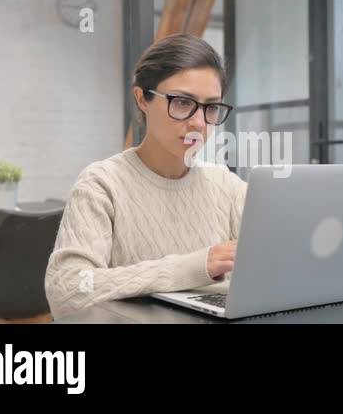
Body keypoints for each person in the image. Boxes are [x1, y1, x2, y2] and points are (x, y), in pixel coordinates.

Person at [45, 34, 247, 319]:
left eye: (211, 107)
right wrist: (193, 267)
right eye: (181, 102)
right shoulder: (102, 184)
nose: (199, 122)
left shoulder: (226, 185)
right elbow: (66, 290)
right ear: (142, 99)